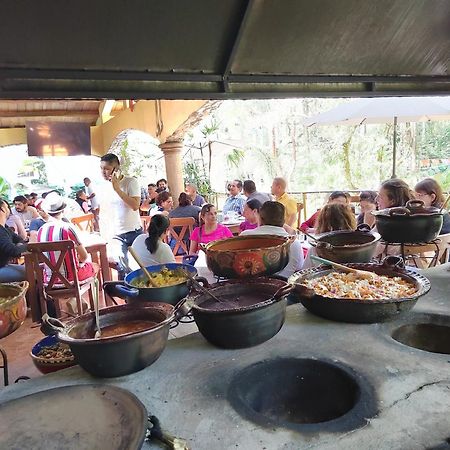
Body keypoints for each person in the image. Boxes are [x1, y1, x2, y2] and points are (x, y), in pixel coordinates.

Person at [100, 153, 143, 278]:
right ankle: (127, 296)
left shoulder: (130, 182)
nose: (103, 172)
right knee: (123, 268)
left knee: (140, 266)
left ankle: (142, 295)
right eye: (101, 168)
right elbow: (105, 212)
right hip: (116, 234)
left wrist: (117, 189)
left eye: (107, 168)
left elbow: (135, 205)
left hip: (134, 231)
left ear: (116, 169)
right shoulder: (104, 187)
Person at [241, 201, 304, 278]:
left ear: (260, 217)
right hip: (284, 287)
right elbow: (299, 268)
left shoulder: (245, 236)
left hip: (248, 287)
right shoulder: (294, 243)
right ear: (283, 221)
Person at [0, 198, 28, 282]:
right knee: (32, 273)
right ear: (2, 210)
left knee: (33, 270)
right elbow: (13, 251)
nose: (9, 209)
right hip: (1, 268)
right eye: (7, 207)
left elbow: (19, 239)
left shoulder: (5, 228)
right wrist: (30, 246)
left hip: (4, 266)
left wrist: (20, 245)